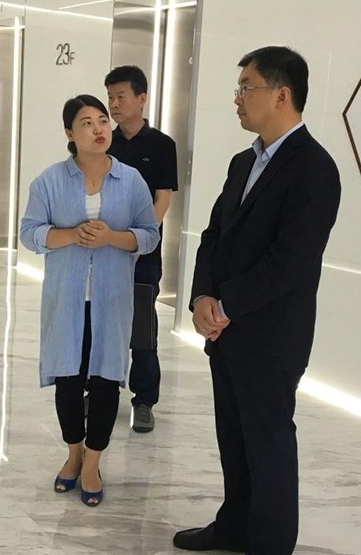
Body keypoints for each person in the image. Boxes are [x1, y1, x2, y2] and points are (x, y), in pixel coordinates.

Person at [172, 46, 341, 554]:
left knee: (268, 444)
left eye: (247, 87)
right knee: (235, 438)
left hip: (271, 336)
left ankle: (269, 542)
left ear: (281, 95)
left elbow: (291, 261)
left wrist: (225, 306)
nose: (238, 98)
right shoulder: (244, 161)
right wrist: (202, 295)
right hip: (227, 331)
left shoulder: (314, 168)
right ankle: (234, 525)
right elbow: (214, 235)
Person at [19, 95, 159, 507]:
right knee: (68, 378)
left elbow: (149, 235)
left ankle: (93, 463)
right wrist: (71, 234)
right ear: (69, 132)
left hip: (112, 299)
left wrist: (112, 237)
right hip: (67, 299)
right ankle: (73, 454)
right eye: (86, 122)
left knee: (105, 381)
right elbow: (29, 233)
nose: (99, 129)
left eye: (102, 120)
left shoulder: (131, 180)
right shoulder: (49, 180)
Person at [104, 65, 179, 434]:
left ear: (142, 98)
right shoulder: (105, 141)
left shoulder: (162, 145)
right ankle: (100, 391)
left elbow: (162, 198)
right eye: (110, 97)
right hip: (104, 248)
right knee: (102, 322)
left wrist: (142, 238)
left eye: (121, 96)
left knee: (142, 326)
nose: (114, 104)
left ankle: (144, 400)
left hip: (143, 252)